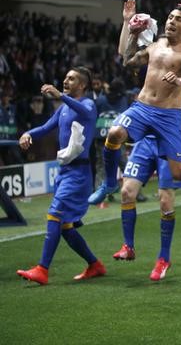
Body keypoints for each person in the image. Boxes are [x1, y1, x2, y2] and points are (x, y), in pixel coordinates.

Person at [87, 0, 181, 204]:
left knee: (180, 174)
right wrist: (129, 27)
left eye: (178, 19)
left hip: (168, 117)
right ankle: (109, 183)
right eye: (170, 17)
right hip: (142, 108)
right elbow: (126, 59)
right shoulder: (155, 45)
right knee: (115, 133)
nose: (171, 21)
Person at [16, 67, 105, 285]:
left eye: (71, 78)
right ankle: (95, 265)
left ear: (82, 85)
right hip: (65, 172)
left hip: (80, 173)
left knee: (55, 214)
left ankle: (42, 269)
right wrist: (28, 134)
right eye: (65, 77)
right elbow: (46, 127)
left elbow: (86, 114)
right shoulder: (64, 109)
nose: (66, 80)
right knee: (65, 227)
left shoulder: (88, 104)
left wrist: (61, 96)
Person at [112, 133, 181, 281]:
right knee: (126, 192)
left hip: (169, 140)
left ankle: (164, 258)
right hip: (145, 141)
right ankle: (128, 247)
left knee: (165, 200)